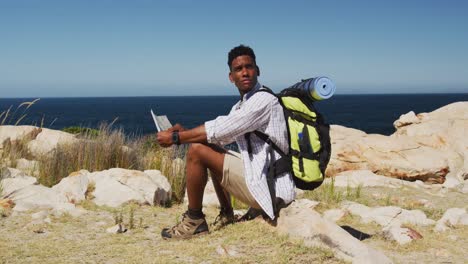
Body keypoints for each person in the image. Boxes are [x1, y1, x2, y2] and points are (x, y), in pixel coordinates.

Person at [156, 45, 295, 240]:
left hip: (272, 189)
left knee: (197, 151)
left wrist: (176, 138)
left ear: (258, 70)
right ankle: (227, 213)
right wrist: (185, 132)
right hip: (265, 177)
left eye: (249, 66)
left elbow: (219, 128)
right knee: (213, 148)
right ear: (231, 77)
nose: (245, 72)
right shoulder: (243, 104)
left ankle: (194, 221)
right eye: (238, 69)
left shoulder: (263, 100)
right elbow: (221, 135)